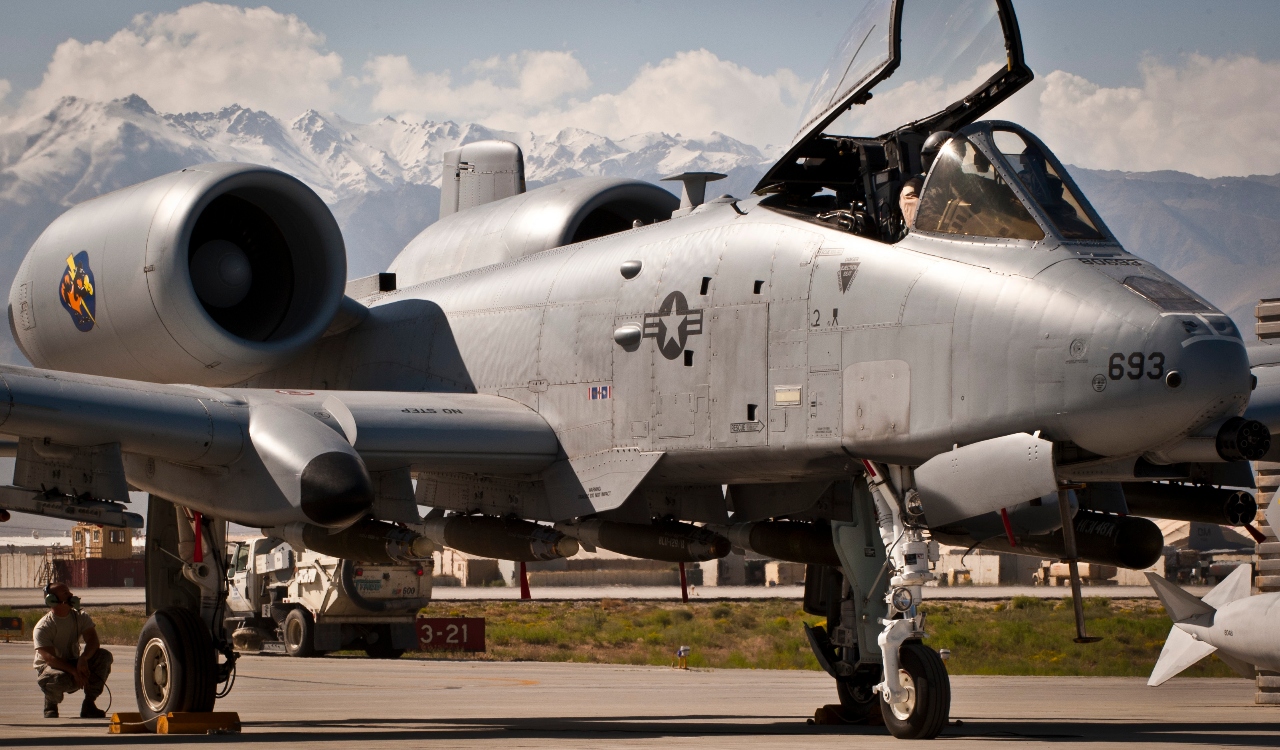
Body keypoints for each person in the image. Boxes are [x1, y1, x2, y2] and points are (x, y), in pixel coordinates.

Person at [33, 582, 113, 719]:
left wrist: (84, 659)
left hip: (74, 662)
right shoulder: (43, 627)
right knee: (58, 678)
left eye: (68, 591)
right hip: (52, 667)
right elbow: (50, 659)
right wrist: (74, 671)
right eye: (65, 593)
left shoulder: (80, 616)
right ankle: (51, 703)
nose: (70, 595)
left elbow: (93, 641)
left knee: (103, 656)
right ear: (52, 599)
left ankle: (89, 705)